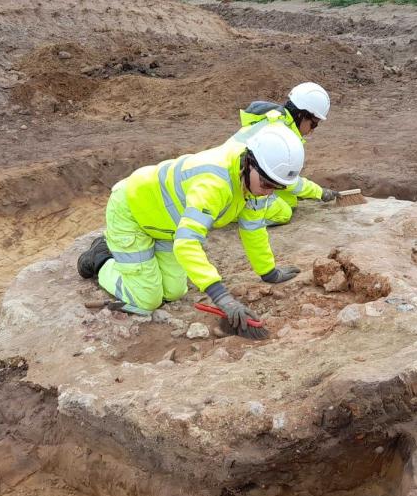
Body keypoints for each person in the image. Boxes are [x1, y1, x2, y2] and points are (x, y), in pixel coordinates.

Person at [77, 123, 305, 338]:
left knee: (174, 292)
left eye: (277, 187)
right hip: (132, 213)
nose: (269, 193)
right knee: (146, 301)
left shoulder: (256, 183)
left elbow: (254, 229)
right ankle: (101, 257)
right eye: (266, 185)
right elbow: (187, 243)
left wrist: (269, 272)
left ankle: (133, 261)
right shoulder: (214, 183)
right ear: (249, 163)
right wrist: (222, 298)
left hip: (167, 227)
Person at [230, 82, 339, 225]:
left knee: (288, 200)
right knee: (283, 213)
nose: (313, 130)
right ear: (301, 115)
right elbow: (291, 182)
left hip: (241, 175)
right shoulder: (280, 135)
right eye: (314, 123)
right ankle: (230, 213)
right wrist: (319, 192)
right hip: (235, 183)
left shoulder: (276, 121)